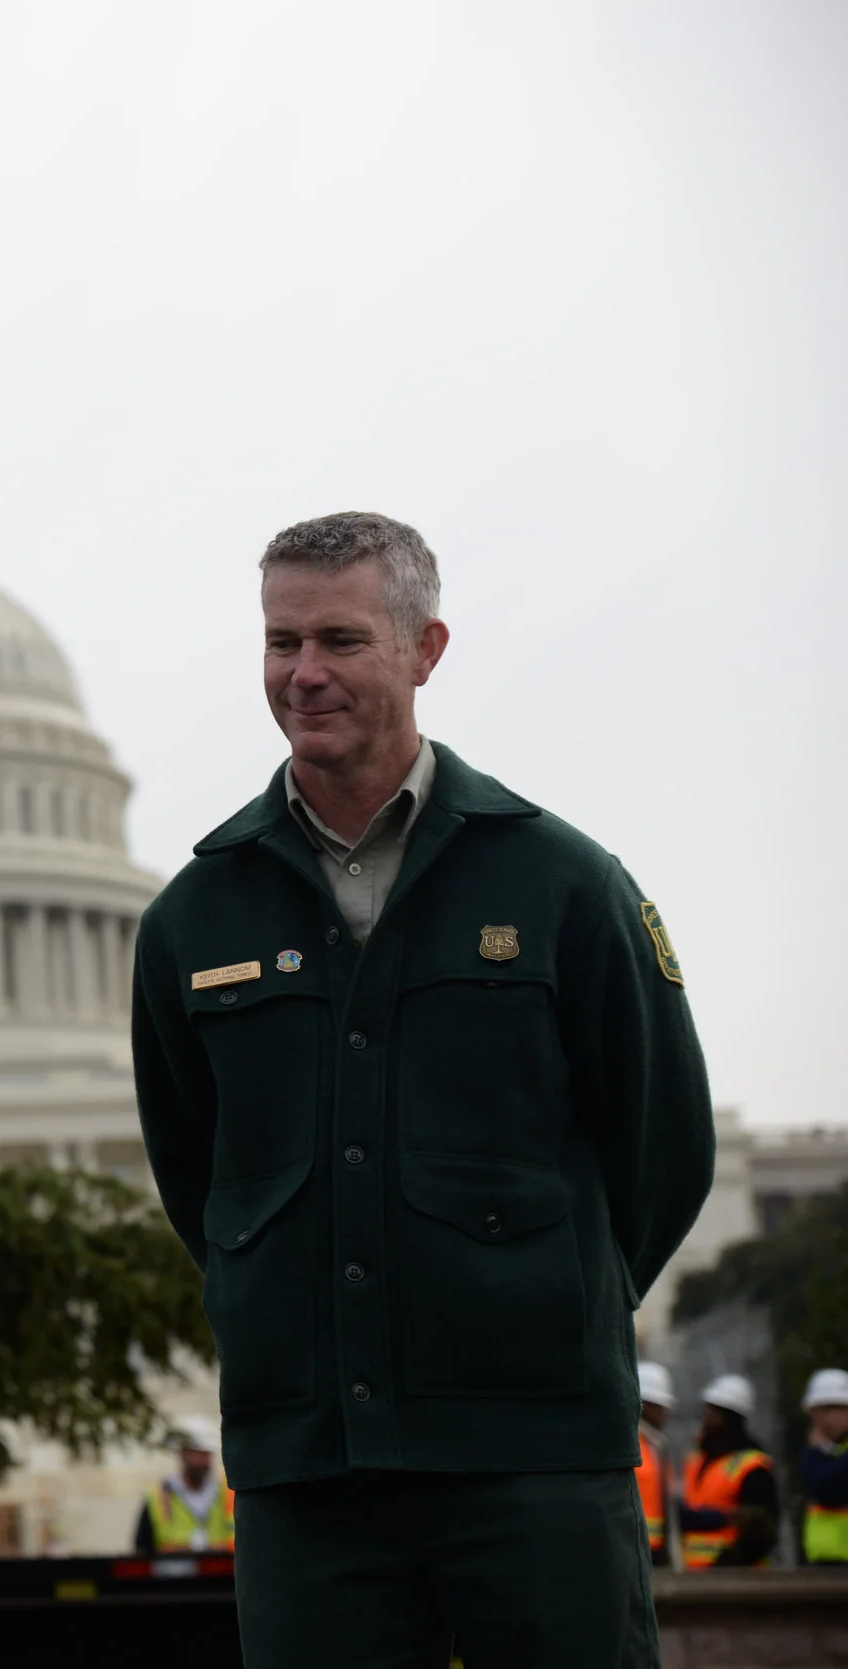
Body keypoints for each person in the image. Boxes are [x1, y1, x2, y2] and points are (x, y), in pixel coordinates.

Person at [131, 512, 717, 1668]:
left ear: (423, 648)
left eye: (340, 639)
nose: (303, 675)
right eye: (279, 642)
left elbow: (664, 1148)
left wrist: (530, 1299)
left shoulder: (560, 884)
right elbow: (197, 1176)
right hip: (308, 1473)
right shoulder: (192, 921)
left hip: (532, 1462)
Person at [681, 1375, 779, 1568]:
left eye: (714, 1412)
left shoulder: (753, 1466)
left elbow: (760, 1533)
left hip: (738, 1582)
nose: (706, 1417)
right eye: (707, 1410)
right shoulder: (696, 1460)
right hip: (693, 1579)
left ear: (732, 1419)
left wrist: (724, 1566)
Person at [134, 1417, 236, 1554]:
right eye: (197, 1453)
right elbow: (142, 1548)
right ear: (182, 1453)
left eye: (206, 1454)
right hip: (171, 1573)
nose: (202, 1461)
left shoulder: (227, 1492)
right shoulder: (158, 1496)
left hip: (221, 1572)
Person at [800, 1368, 848, 1563]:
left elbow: (825, 1487)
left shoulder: (825, 1453)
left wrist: (817, 1452)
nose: (819, 1423)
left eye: (826, 1412)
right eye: (814, 1415)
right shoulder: (835, 1450)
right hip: (825, 1562)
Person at [637, 1361, 678, 1566]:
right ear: (645, 1405)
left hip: (655, 1552)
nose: (664, 1415)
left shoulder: (656, 1445)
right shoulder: (630, 1443)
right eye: (661, 1407)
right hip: (636, 1550)